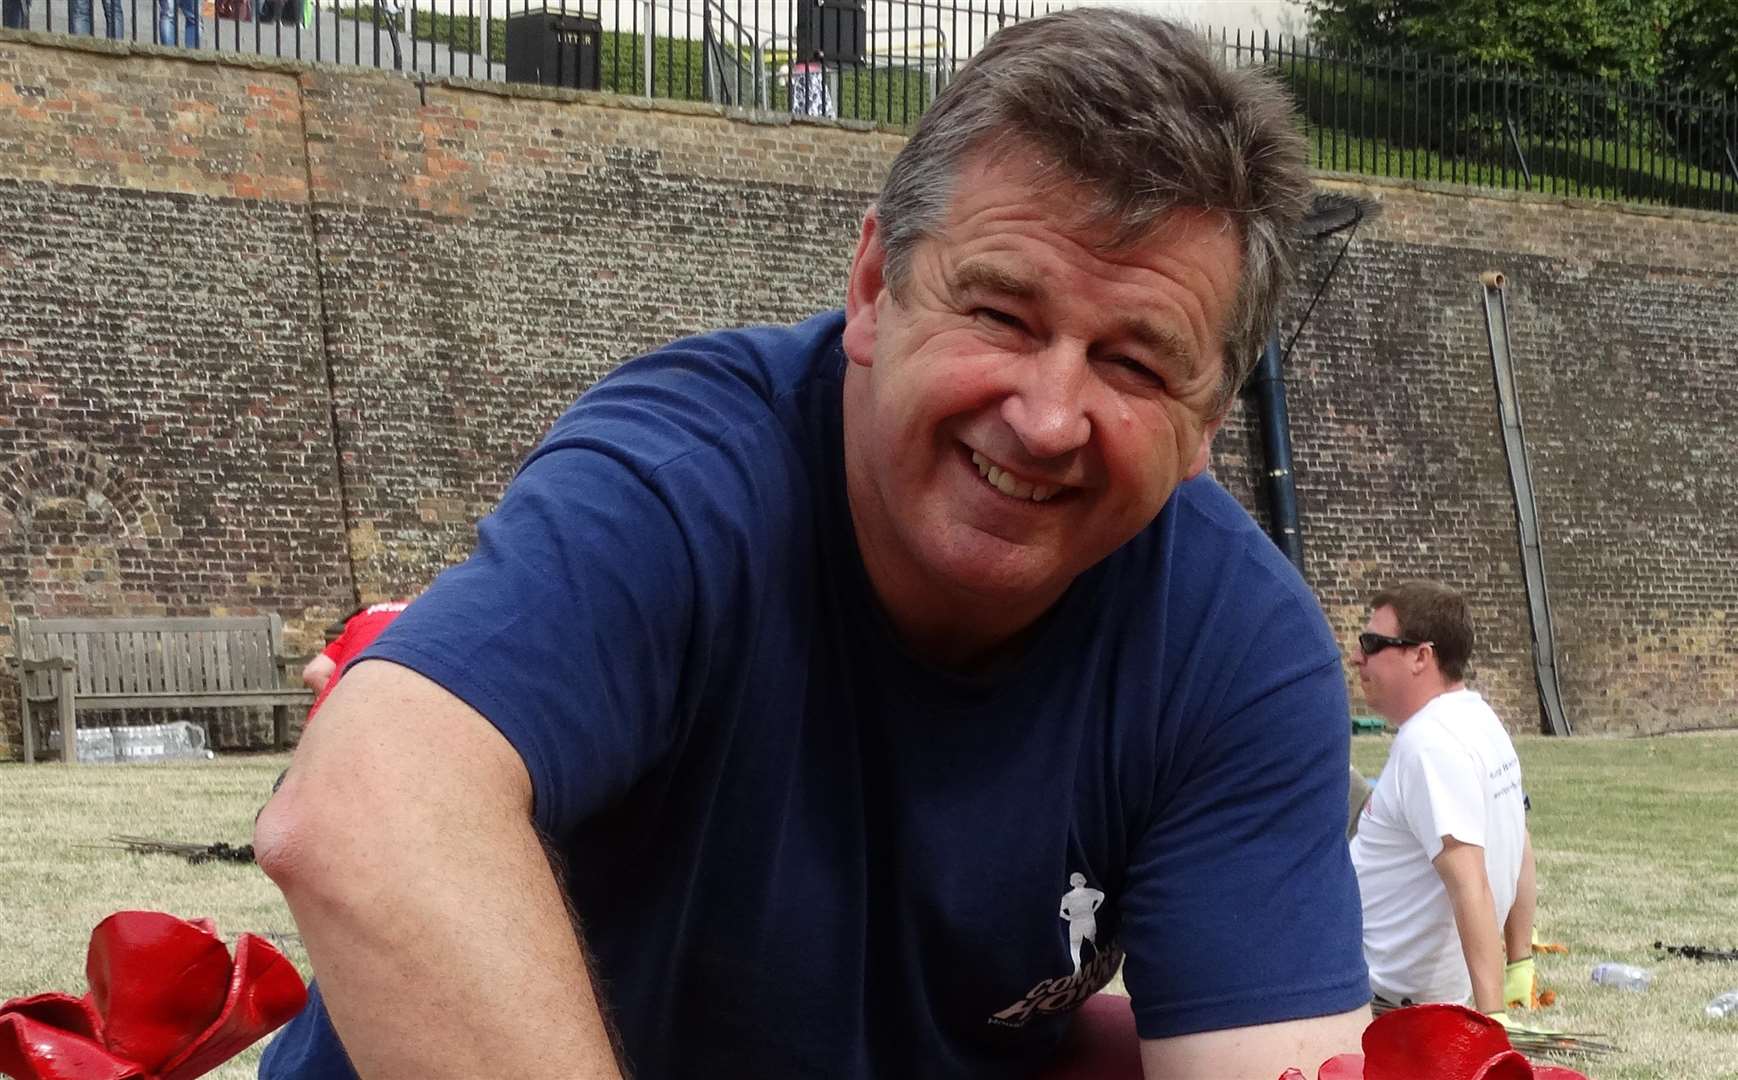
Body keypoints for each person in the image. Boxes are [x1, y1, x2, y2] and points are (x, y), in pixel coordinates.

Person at [254, 8, 1371, 1078]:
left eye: (1133, 362)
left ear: (1207, 423)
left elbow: (1266, 1063)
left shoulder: (1237, 645)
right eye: (999, 314)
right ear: (874, 289)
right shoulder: (684, 481)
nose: (1045, 417)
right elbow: (362, 812)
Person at [1347, 580, 1537, 1022]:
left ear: (1420, 656)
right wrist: (1520, 960)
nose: (1357, 657)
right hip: (1401, 991)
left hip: (1382, 999)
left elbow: (1470, 881)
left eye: (1372, 644)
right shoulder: (1477, 717)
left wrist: (1490, 1022)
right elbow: (1519, 839)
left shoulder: (1430, 744)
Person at [300, 599, 412, 724]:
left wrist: (344, 703)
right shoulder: (422, 621)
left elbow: (313, 673)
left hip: (323, 726)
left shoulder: (361, 620)